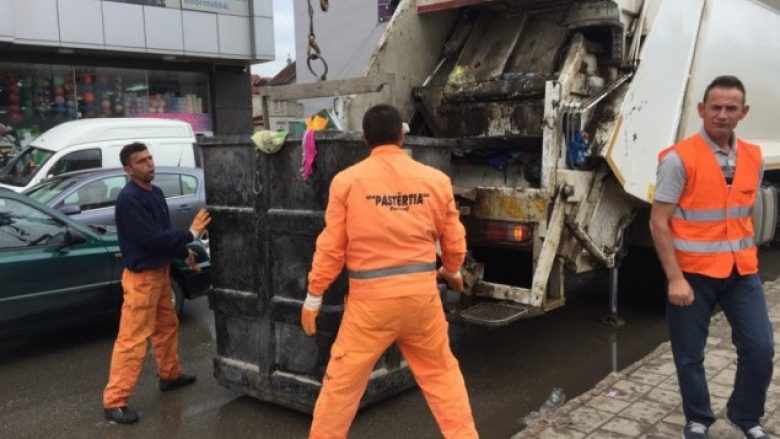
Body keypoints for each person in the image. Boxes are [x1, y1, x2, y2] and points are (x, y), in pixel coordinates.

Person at [300, 104, 478, 439]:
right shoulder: (436, 181)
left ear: (365, 139)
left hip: (369, 310)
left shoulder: (347, 182)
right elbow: (454, 242)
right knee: (443, 378)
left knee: (340, 389)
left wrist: (314, 295)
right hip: (421, 303)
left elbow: (331, 248)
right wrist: (453, 272)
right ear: (401, 135)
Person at [650, 76, 774, 439]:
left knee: (760, 347)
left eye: (731, 108)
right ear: (701, 110)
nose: (722, 114)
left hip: (742, 273)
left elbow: (742, 212)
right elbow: (659, 221)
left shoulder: (753, 157)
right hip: (693, 274)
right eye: (715, 107)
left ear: (743, 112)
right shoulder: (678, 160)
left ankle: (745, 416)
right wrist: (675, 278)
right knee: (689, 354)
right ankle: (698, 419)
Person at [102, 142, 211, 424]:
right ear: (128, 169)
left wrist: (183, 253)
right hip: (141, 280)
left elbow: (162, 234)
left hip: (161, 274)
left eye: (150, 158)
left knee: (166, 326)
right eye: (141, 161)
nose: (149, 164)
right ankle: (115, 402)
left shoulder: (156, 193)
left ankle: (170, 375)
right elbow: (151, 238)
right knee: (133, 339)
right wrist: (191, 234)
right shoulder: (129, 200)